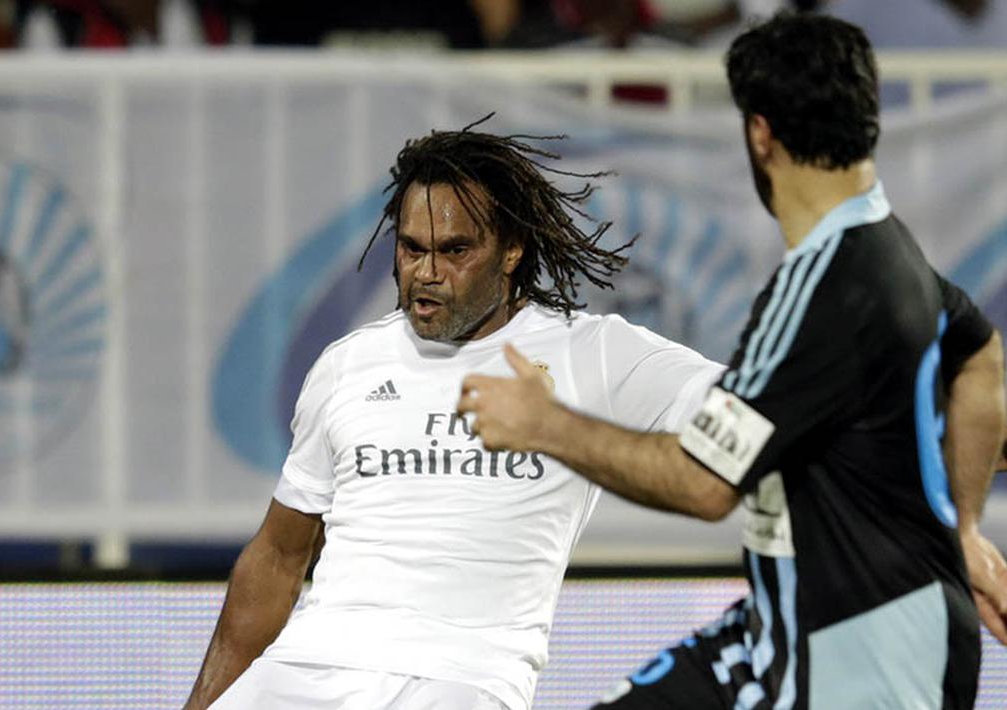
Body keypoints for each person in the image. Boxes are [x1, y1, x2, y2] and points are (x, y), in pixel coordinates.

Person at [458, 13, 1007, 709]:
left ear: (759, 134)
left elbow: (703, 484)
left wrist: (545, 424)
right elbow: (978, 355)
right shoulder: (884, 246)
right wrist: (958, 533)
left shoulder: (818, 291)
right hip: (793, 629)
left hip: (860, 658)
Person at [183, 122, 730, 709]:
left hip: (463, 682)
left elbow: (749, 402)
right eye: (412, 248)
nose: (426, 272)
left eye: (455, 251)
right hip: (310, 667)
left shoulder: (590, 353)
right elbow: (278, 556)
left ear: (512, 249)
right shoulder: (347, 365)